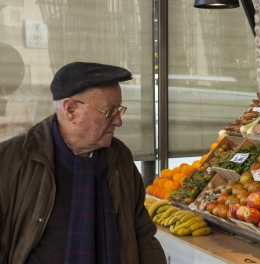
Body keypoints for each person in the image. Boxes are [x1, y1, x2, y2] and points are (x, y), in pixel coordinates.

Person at [0, 62, 167, 264]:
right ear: (70, 110)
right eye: (109, 112)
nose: (118, 121)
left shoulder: (119, 157)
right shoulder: (11, 161)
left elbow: (143, 235)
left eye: (119, 110)